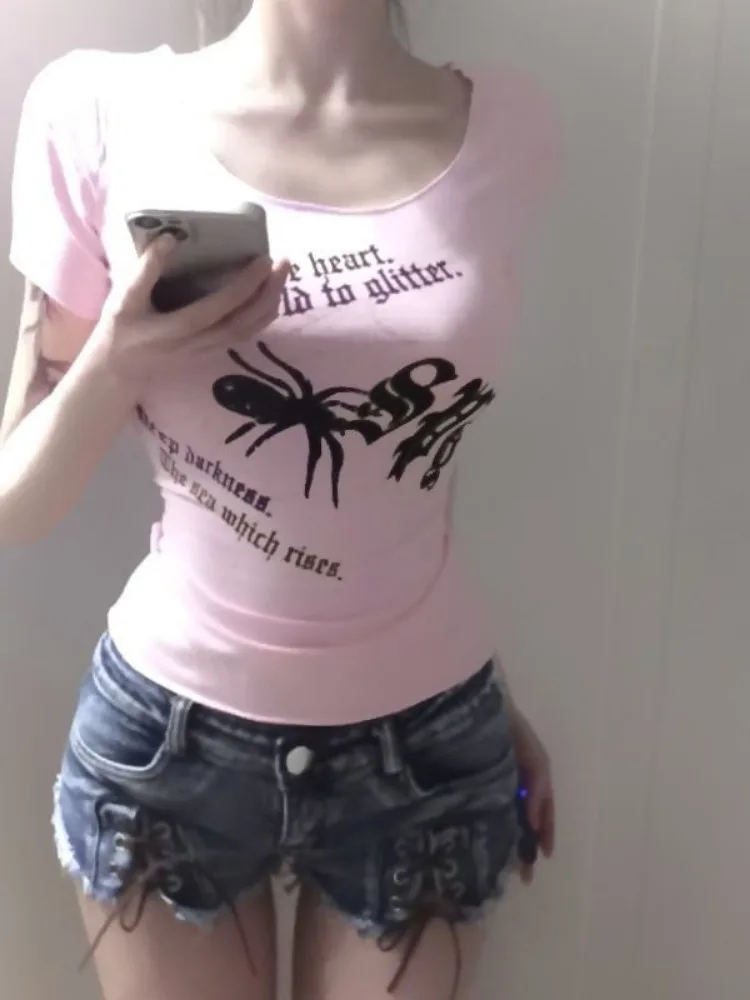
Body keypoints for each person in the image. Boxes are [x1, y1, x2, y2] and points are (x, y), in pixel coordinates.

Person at [2, 1, 559, 998]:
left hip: (431, 741)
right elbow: (16, 503)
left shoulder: (510, 127)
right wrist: (115, 359)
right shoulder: (96, 110)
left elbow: (418, 458)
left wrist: (486, 688)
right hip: (169, 746)